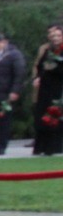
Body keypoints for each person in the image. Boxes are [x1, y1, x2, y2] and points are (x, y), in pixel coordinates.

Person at [30, 24, 63, 156]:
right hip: (45, 88)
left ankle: (53, 147)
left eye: (58, 36)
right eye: (53, 36)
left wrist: (54, 69)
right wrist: (37, 77)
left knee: (53, 116)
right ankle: (41, 146)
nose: (55, 38)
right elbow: (39, 66)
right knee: (41, 116)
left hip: (58, 88)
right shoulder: (47, 50)